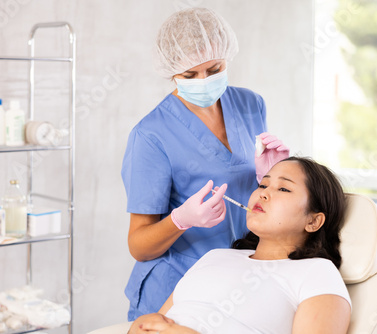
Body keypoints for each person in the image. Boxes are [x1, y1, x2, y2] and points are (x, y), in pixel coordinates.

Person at [121, 7, 289, 320]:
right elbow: (139, 246)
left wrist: (271, 175)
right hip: (175, 291)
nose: (203, 81)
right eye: (189, 75)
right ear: (171, 70)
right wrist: (180, 220)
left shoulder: (251, 104)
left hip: (235, 283)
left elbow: (260, 198)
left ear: (227, 56)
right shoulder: (150, 135)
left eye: (214, 69)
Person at [128, 156, 351, 334]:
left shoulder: (317, 272)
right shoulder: (215, 257)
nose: (264, 193)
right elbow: (160, 320)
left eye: (283, 189)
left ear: (313, 221)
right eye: (263, 184)